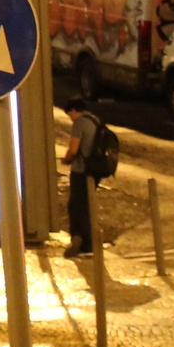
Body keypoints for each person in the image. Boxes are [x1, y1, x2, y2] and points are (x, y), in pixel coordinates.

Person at [63, 108, 119, 257]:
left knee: (77, 205)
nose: (70, 119)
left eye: (70, 115)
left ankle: (83, 240)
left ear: (74, 110)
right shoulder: (95, 119)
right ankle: (81, 238)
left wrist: (66, 159)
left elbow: (74, 150)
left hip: (81, 170)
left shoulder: (79, 123)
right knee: (85, 204)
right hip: (96, 169)